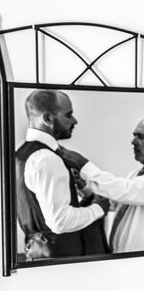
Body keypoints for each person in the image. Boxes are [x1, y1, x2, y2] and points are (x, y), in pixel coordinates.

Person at [15, 89, 110, 258]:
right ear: (48, 118)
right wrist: (98, 208)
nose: (75, 120)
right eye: (68, 115)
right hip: (61, 261)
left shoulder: (20, 155)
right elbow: (60, 221)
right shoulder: (47, 159)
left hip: (38, 254)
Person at [58, 116, 144, 252]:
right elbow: (112, 202)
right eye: (134, 136)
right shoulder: (134, 175)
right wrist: (82, 186)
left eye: (141, 137)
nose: (133, 142)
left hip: (142, 263)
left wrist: (84, 165)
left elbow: (121, 190)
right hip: (123, 260)